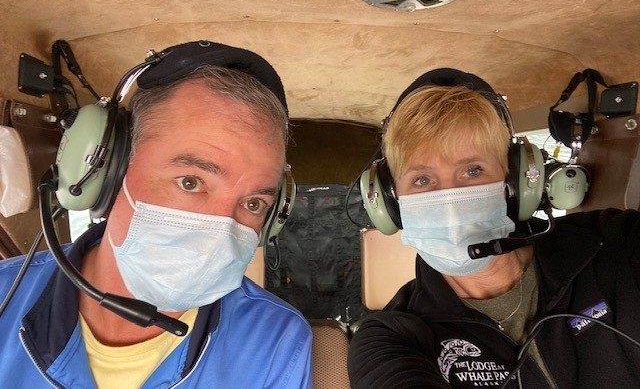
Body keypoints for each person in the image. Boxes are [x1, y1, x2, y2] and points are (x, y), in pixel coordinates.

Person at [0, 41, 312, 388]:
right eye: (191, 181)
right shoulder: (4, 296)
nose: (220, 230)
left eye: (254, 204)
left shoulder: (275, 343)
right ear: (108, 173)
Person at [348, 68, 640, 388]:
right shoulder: (390, 338)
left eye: (473, 171)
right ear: (390, 203)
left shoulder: (616, 243)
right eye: (422, 179)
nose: (449, 199)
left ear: (515, 182)